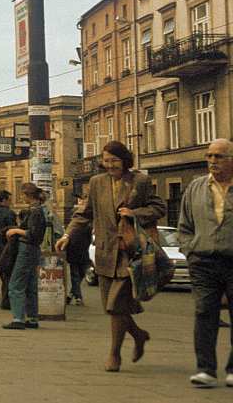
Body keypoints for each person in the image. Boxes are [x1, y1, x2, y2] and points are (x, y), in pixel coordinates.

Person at [57, 139, 164, 372]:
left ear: (125, 160)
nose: (110, 165)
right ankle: (138, 335)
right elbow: (83, 214)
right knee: (112, 307)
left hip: (129, 251)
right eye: (106, 161)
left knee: (116, 305)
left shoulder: (140, 181)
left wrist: (134, 213)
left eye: (114, 160)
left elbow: (159, 208)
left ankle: (114, 354)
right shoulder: (96, 183)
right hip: (105, 253)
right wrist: (67, 235)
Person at [177, 138, 233, 388]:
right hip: (204, 262)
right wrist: (191, 252)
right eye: (209, 156)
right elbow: (184, 226)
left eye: (219, 156)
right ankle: (206, 369)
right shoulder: (196, 187)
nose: (212, 161)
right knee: (204, 313)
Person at [2, 182, 47, 330]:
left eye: (23, 194)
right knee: (30, 285)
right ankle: (32, 318)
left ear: (28, 195)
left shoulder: (35, 211)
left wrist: (16, 231)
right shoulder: (39, 210)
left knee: (15, 284)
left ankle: (18, 318)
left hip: (27, 249)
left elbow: (32, 234)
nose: (21, 197)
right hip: (33, 250)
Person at [66, 196, 92, 306]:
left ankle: (71, 294)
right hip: (74, 251)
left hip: (83, 251)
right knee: (75, 275)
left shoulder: (87, 224)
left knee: (80, 274)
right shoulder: (74, 227)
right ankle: (78, 297)